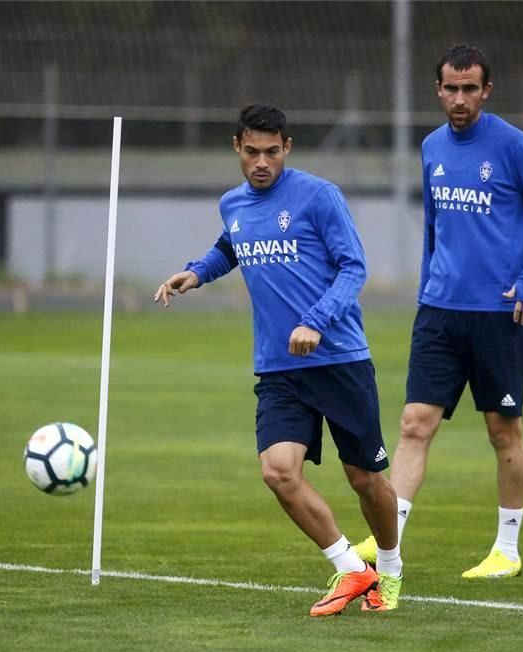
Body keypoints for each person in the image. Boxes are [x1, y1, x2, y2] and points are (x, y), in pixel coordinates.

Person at [154, 103, 403, 614]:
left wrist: (316, 319)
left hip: (339, 360)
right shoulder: (233, 203)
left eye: (272, 151)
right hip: (278, 368)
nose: (261, 161)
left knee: (366, 480)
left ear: (287, 148)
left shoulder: (319, 196)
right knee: (278, 472)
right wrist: (196, 272)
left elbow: (354, 267)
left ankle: (392, 570)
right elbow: (232, 246)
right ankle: (353, 571)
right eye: (251, 152)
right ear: (237, 149)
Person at [354, 44, 523, 578]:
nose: (459, 98)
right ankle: (389, 540)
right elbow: (434, 228)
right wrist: (429, 285)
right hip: (438, 313)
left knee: (503, 430)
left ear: (486, 91)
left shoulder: (514, 146)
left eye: (469, 88)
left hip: (499, 315)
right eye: (450, 88)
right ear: (438, 90)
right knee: (413, 424)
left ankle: (507, 550)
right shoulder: (431, 147)